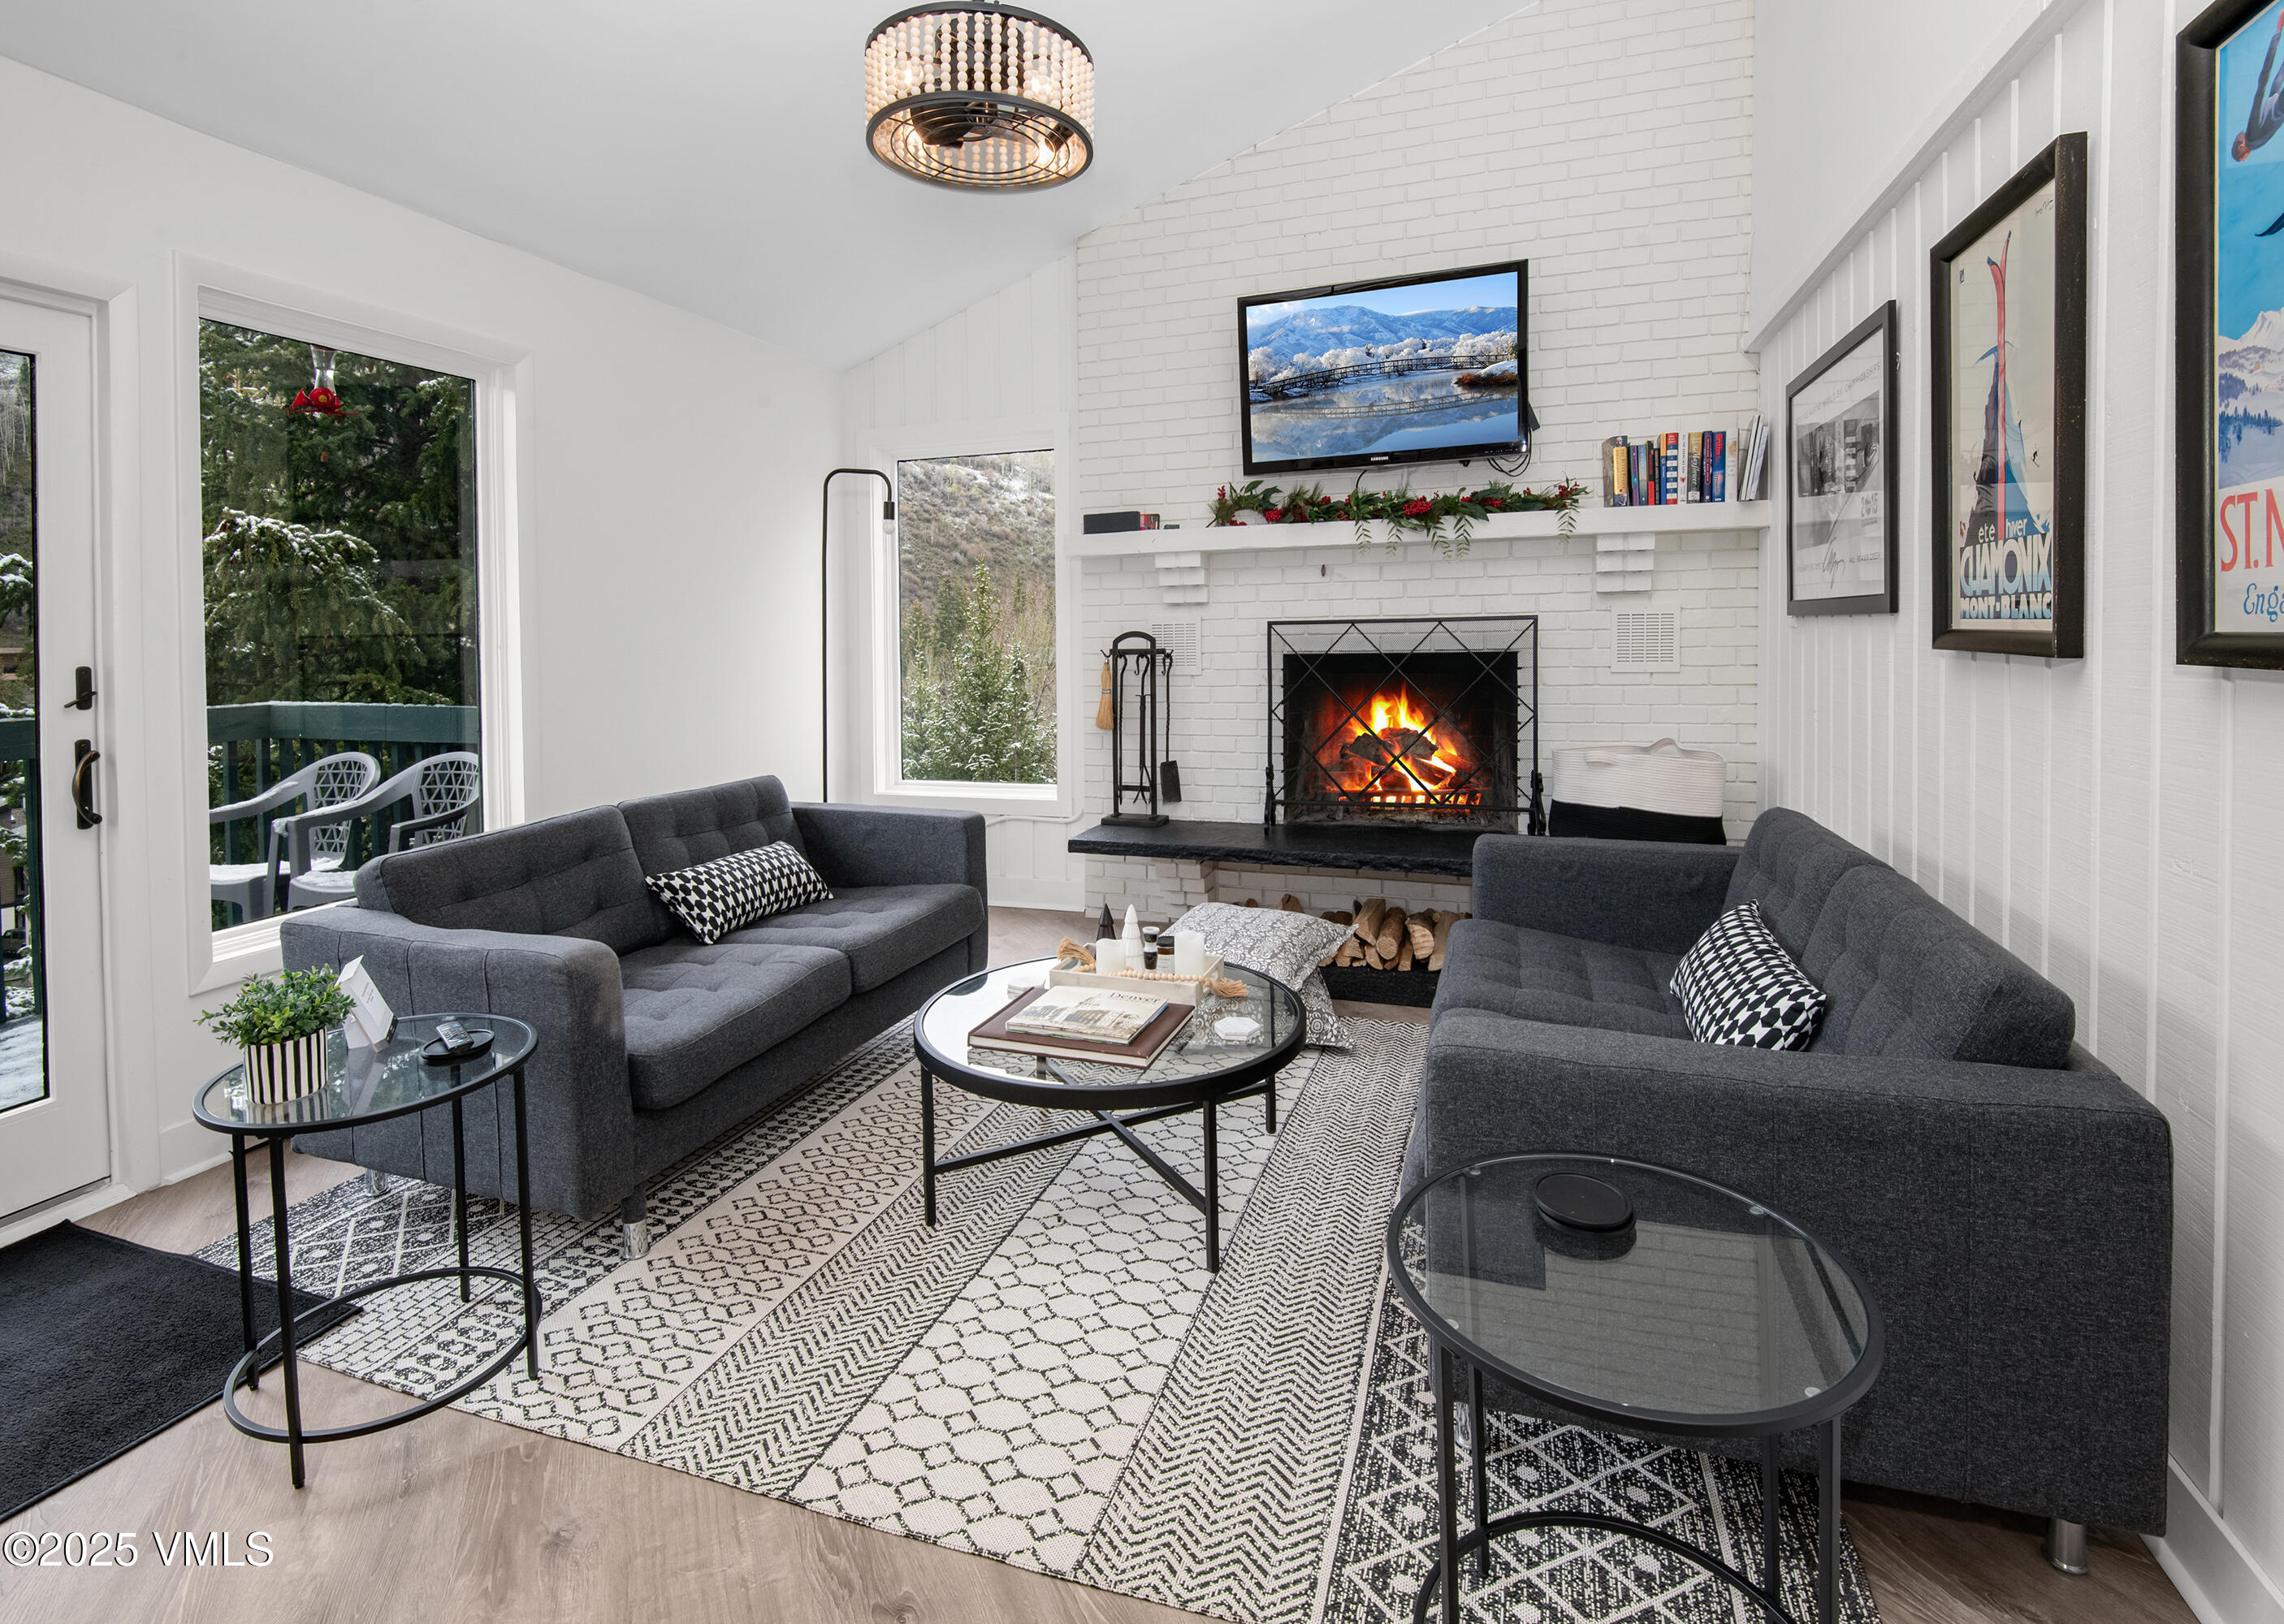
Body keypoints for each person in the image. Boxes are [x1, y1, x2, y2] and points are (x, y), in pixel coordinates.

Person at [2234, 8, 2284, 162]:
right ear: (2241, 147)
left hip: (2278, 102)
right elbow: (2260, 91)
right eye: (2236, 140)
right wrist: (2277, 32)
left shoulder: (2257, 140)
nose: (2238, 135)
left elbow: (2270, 102)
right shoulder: (2252, 135)